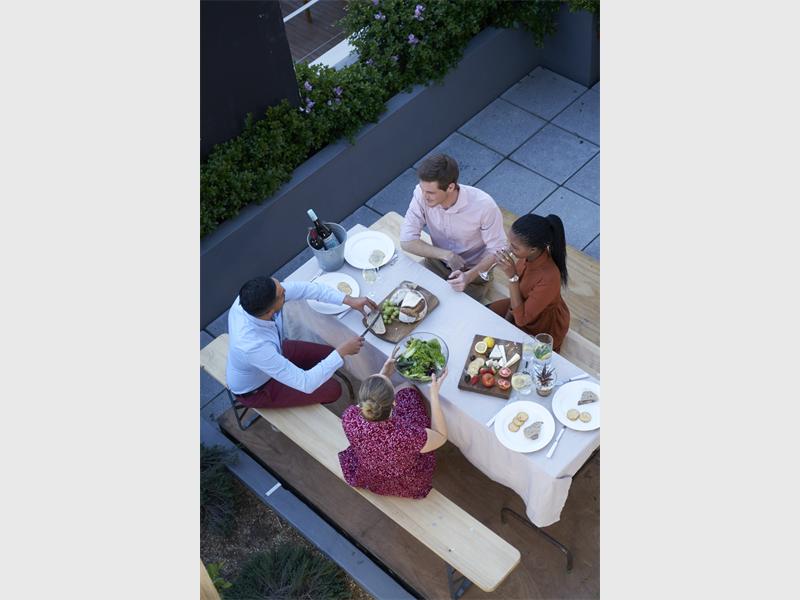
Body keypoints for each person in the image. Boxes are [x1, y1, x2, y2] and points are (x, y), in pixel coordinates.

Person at [226, 275, 378, 408]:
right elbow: (306, 383)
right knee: (333, 390)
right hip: (258, 388)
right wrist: (342, 351)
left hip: (275, 352)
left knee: (329, 354)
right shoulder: (253, 346)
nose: (286, 290)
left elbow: (307, 289)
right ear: (270, 312)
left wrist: (349, 300)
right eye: (282, 293)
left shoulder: (250, 301)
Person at [399, 153, 507, 301]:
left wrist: (469, 276)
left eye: (430, 192)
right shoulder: (421, 193)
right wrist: (446, 255)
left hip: (473, 272)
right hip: (437, 261)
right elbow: (407, 241)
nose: (424, 196)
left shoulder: (484, 206)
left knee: (458, 311)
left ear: (450, 187)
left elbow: (499, 251)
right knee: (407, 298)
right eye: (422, 189)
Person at [338, 358, 448, 499]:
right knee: (407, 388)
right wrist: (434, 396)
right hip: (405, 482)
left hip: (370, 476)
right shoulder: (406, 436)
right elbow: (440, 436)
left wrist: (384, 375)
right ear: (395, 403)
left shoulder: (349, 416)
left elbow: (370, 402)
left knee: (406, 389)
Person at [488, 214, 571, 352]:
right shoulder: (527, 257)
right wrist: (507, 320)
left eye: (514, 247)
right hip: (519, 305)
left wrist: (512, 277)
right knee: (483, 315)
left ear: (533, 249)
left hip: (541, 324)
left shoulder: (549, 277)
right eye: (509, 243)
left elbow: (521, 319)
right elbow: (518, 296)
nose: (509, 249)